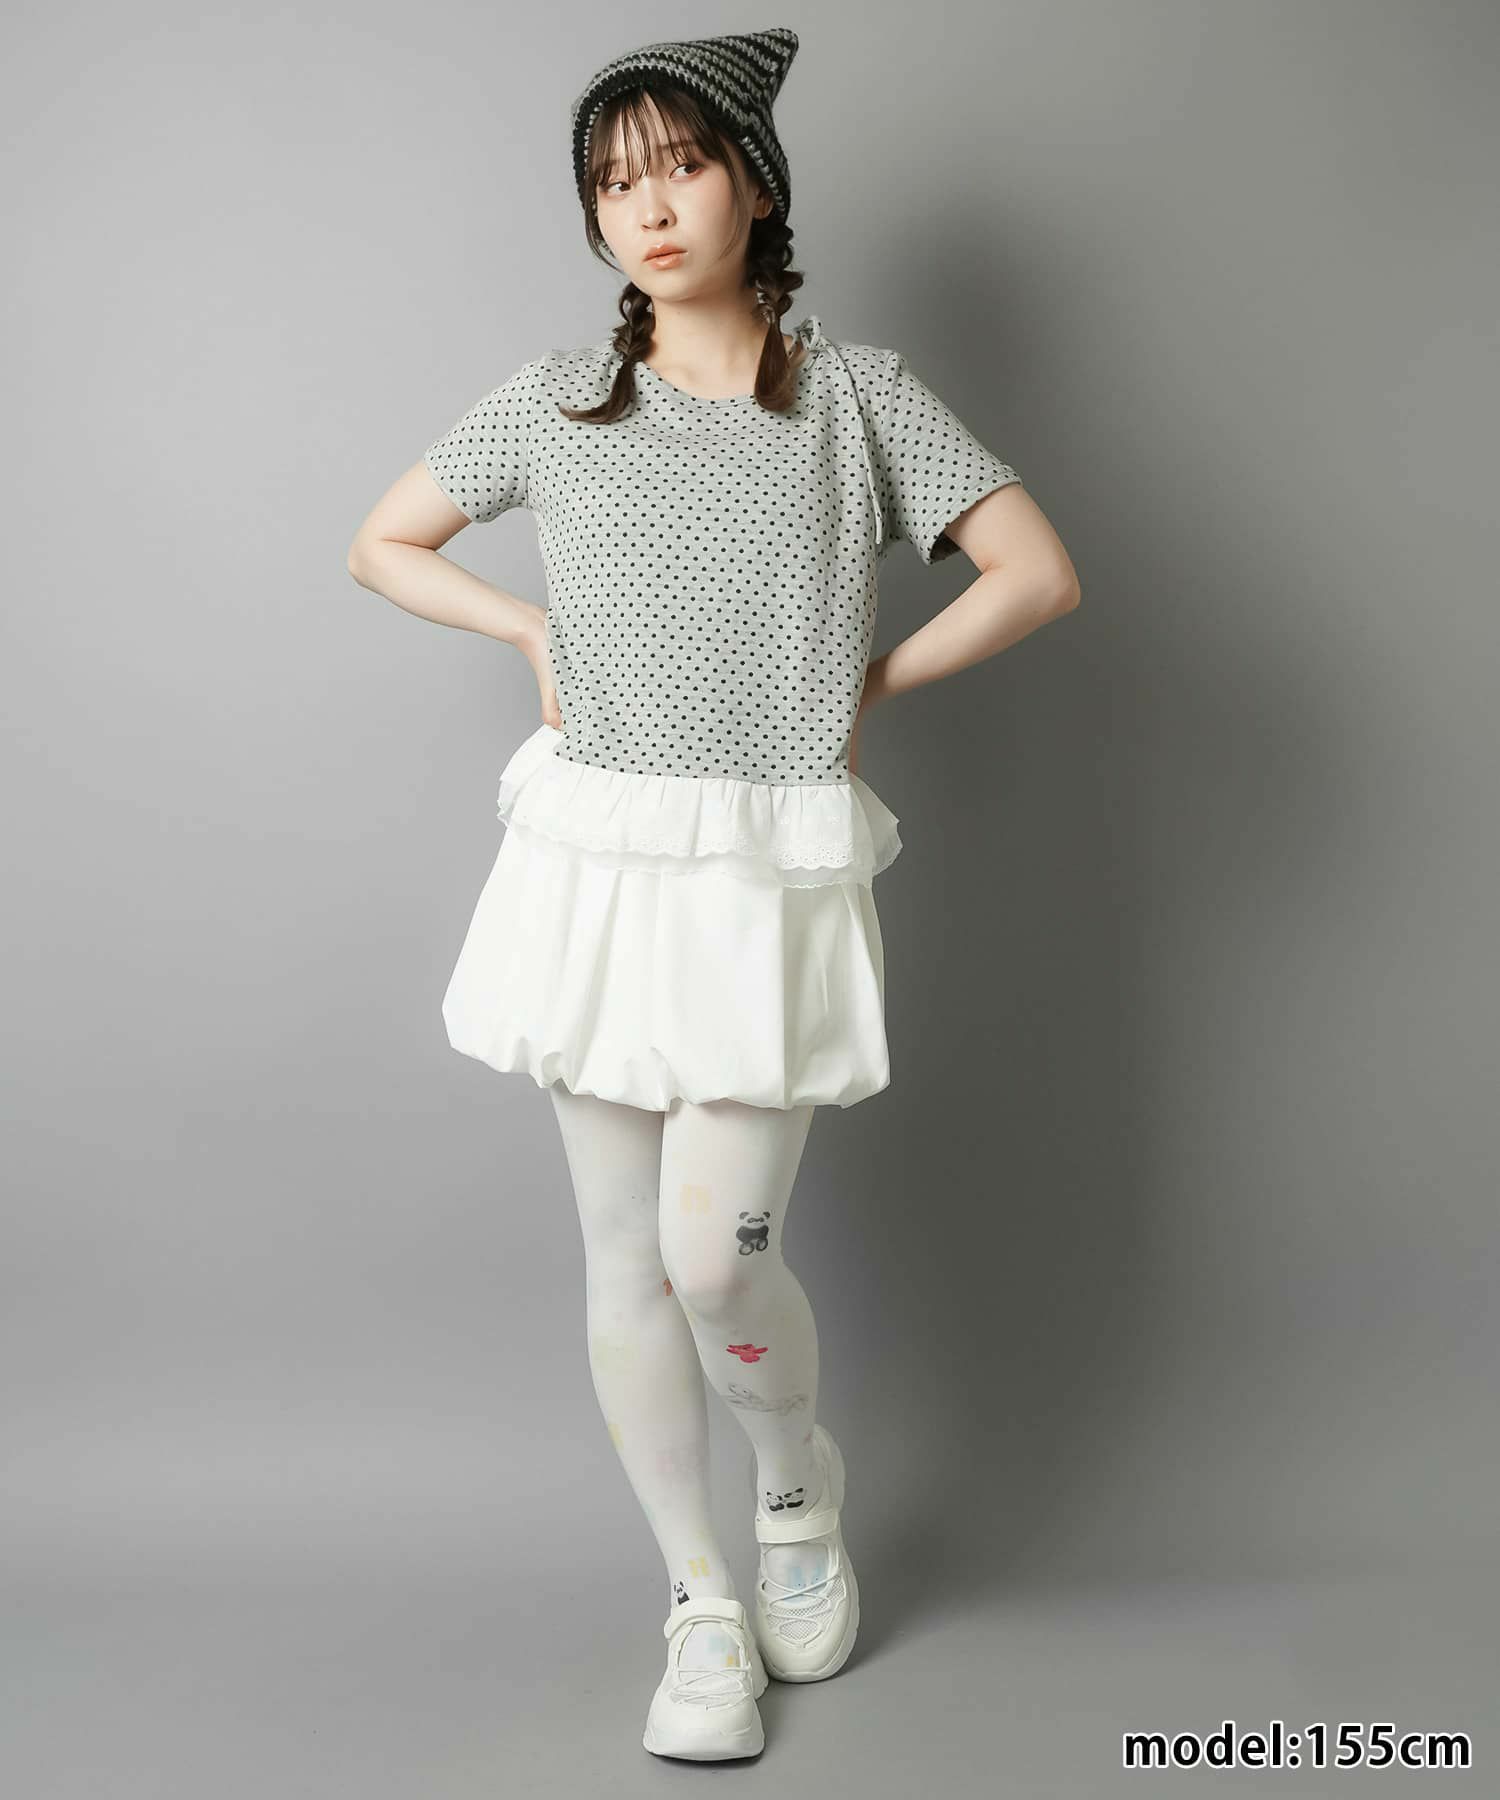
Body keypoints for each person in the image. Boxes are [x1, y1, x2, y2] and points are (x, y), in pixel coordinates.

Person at [347, 25, 1080, 1763]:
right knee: (623, 1256)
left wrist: (867, 686)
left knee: (713, 1256)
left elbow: (1036, 572)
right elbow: (384, 541)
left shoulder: (856, 398)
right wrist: (530, 631)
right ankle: (700, 1606)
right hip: (597, 859)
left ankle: (795, 1488)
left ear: (756, 183)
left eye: (681, 165)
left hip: (761, 871)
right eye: (614, 184)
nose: (650, 208)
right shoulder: (558, 397)